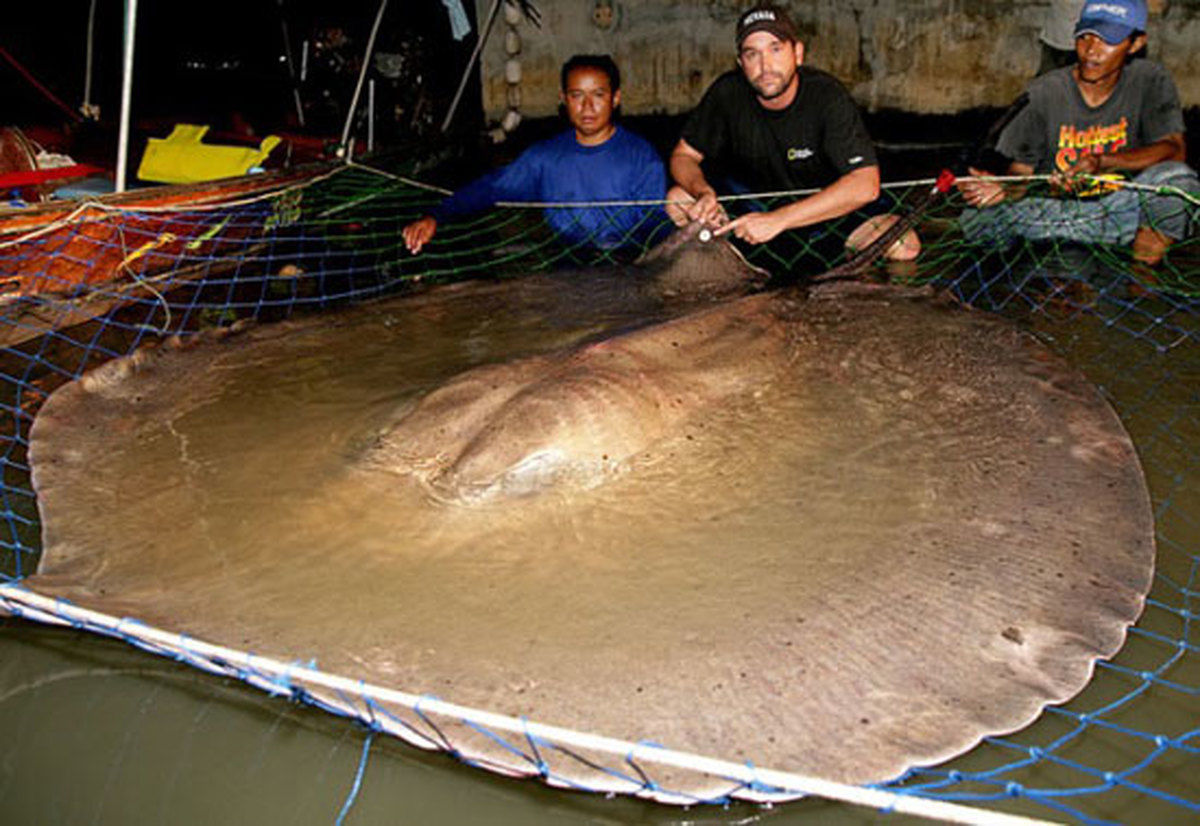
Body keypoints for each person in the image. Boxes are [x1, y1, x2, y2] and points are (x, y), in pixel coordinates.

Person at [665, 4, 918, 267]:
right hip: (753, 213)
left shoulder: (827, 97)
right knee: (678, 199)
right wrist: (703, 191)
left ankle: (848, 278)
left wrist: (779, 220)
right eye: (753, 54)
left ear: (797, 53)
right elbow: (684, 155)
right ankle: (733, 269)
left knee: (904, 246)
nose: (765, 66)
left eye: (775, 49)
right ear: (741, 63)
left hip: (826, 216)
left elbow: (865, 184)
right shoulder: (727, 92)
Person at [958, 0, 1198, 265]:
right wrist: (1002, 189)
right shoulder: (1044, 92)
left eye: (1108, 41)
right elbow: (1021, 176)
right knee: (978, 220)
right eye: (1085, 37)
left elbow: (1175, 150)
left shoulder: (1151, 80)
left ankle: (1141, 279)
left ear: (1136, 44)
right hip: (1053, 213)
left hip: (1119, 210)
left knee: (1178, 180)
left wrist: (1101, 162)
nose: (1091, 51)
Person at [402, 54, 667, 255]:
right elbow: (491, 188)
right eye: (577, 95)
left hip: (627, 263)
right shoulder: (544, 158)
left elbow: (656, 225)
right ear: (564, 99)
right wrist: (436, 216)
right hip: (566, 262)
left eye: (598, 95)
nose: (587, 106)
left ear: (615, 98)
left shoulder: (641, 157)